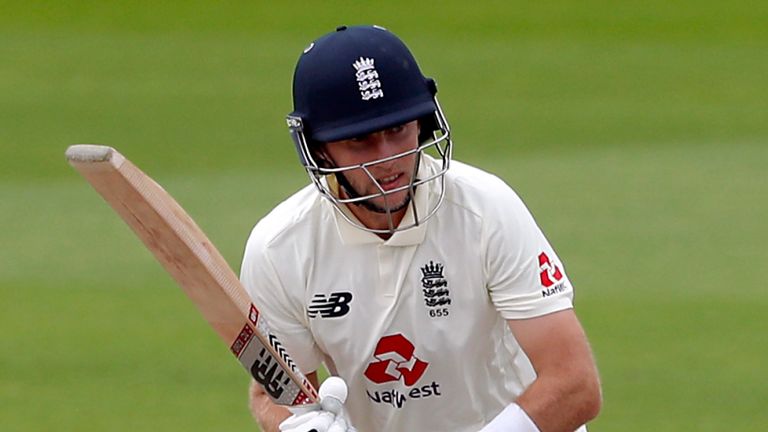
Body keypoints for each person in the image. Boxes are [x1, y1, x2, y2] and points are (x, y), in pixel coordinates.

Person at [240, 25, 602, 432]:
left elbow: (574, 385)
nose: (389, 159)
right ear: (320, 149)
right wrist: (300, 425)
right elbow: (275, 396)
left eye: (398, 129)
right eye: (360, 141)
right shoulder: (278, 249)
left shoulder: (486, 211)